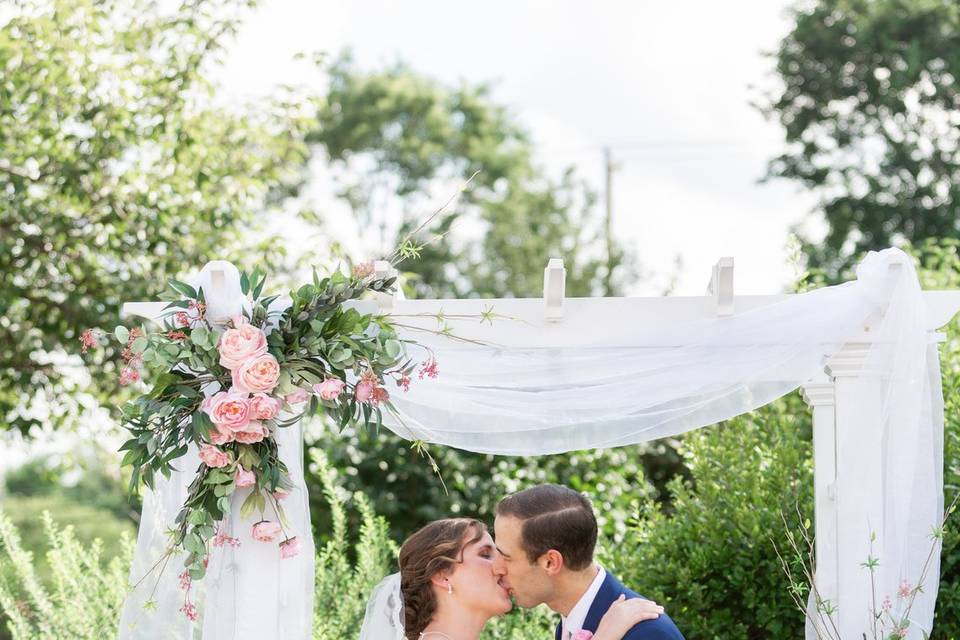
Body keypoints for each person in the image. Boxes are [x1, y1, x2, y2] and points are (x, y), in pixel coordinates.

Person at [492, 485, 684, 640]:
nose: (497, 568)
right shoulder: (570, 625)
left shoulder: (647, 633)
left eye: (506, 557)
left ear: (551, 562)